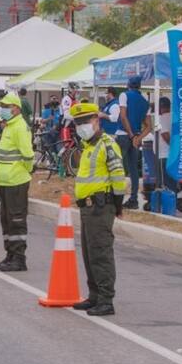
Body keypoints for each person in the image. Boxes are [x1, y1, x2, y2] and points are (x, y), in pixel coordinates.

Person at [69, 103, 126, 316]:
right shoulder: (88, 146)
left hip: (101, 206)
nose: (81, 126)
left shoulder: (107, 145)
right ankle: (94, 296)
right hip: (87, 207)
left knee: (101, 253)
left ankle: (105, 300)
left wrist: (118, 205)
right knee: (89, 253)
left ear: (96, 120)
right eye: (78, 123)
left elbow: (118, 177)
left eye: (85, 121)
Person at [0, 93, 34, 272]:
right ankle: (10, 255)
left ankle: (19, 258)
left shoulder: (20, 127)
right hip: (6, 181)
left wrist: (25, 170)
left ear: (16, 108)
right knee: (6, 220)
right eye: (1, 106)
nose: (2, 109)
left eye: (6, 106)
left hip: (16, 181)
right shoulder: (9, 127)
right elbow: (4, 150)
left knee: (16, 220)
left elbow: (28, 154)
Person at [115, 76, 151, 209]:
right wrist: (137, 138)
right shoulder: (145, 102)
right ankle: (133, 200)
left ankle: (114, 198)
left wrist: (130, 135)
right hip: (135, 139)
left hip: (123, 135)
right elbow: (149, 126)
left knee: (115, 166)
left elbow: (123, 116)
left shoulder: (124, 95)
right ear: (139, 86)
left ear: (128, 85)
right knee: (133, 169)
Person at [156, 97, 176, 192]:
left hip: (164, 155)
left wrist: (172, 147)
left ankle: (169, 199)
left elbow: (165, 134)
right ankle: (173, 198)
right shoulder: (174, 116)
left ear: (160, 107)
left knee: (165, 182)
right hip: (172, 155)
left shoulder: (163, 118)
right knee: (172, 180)